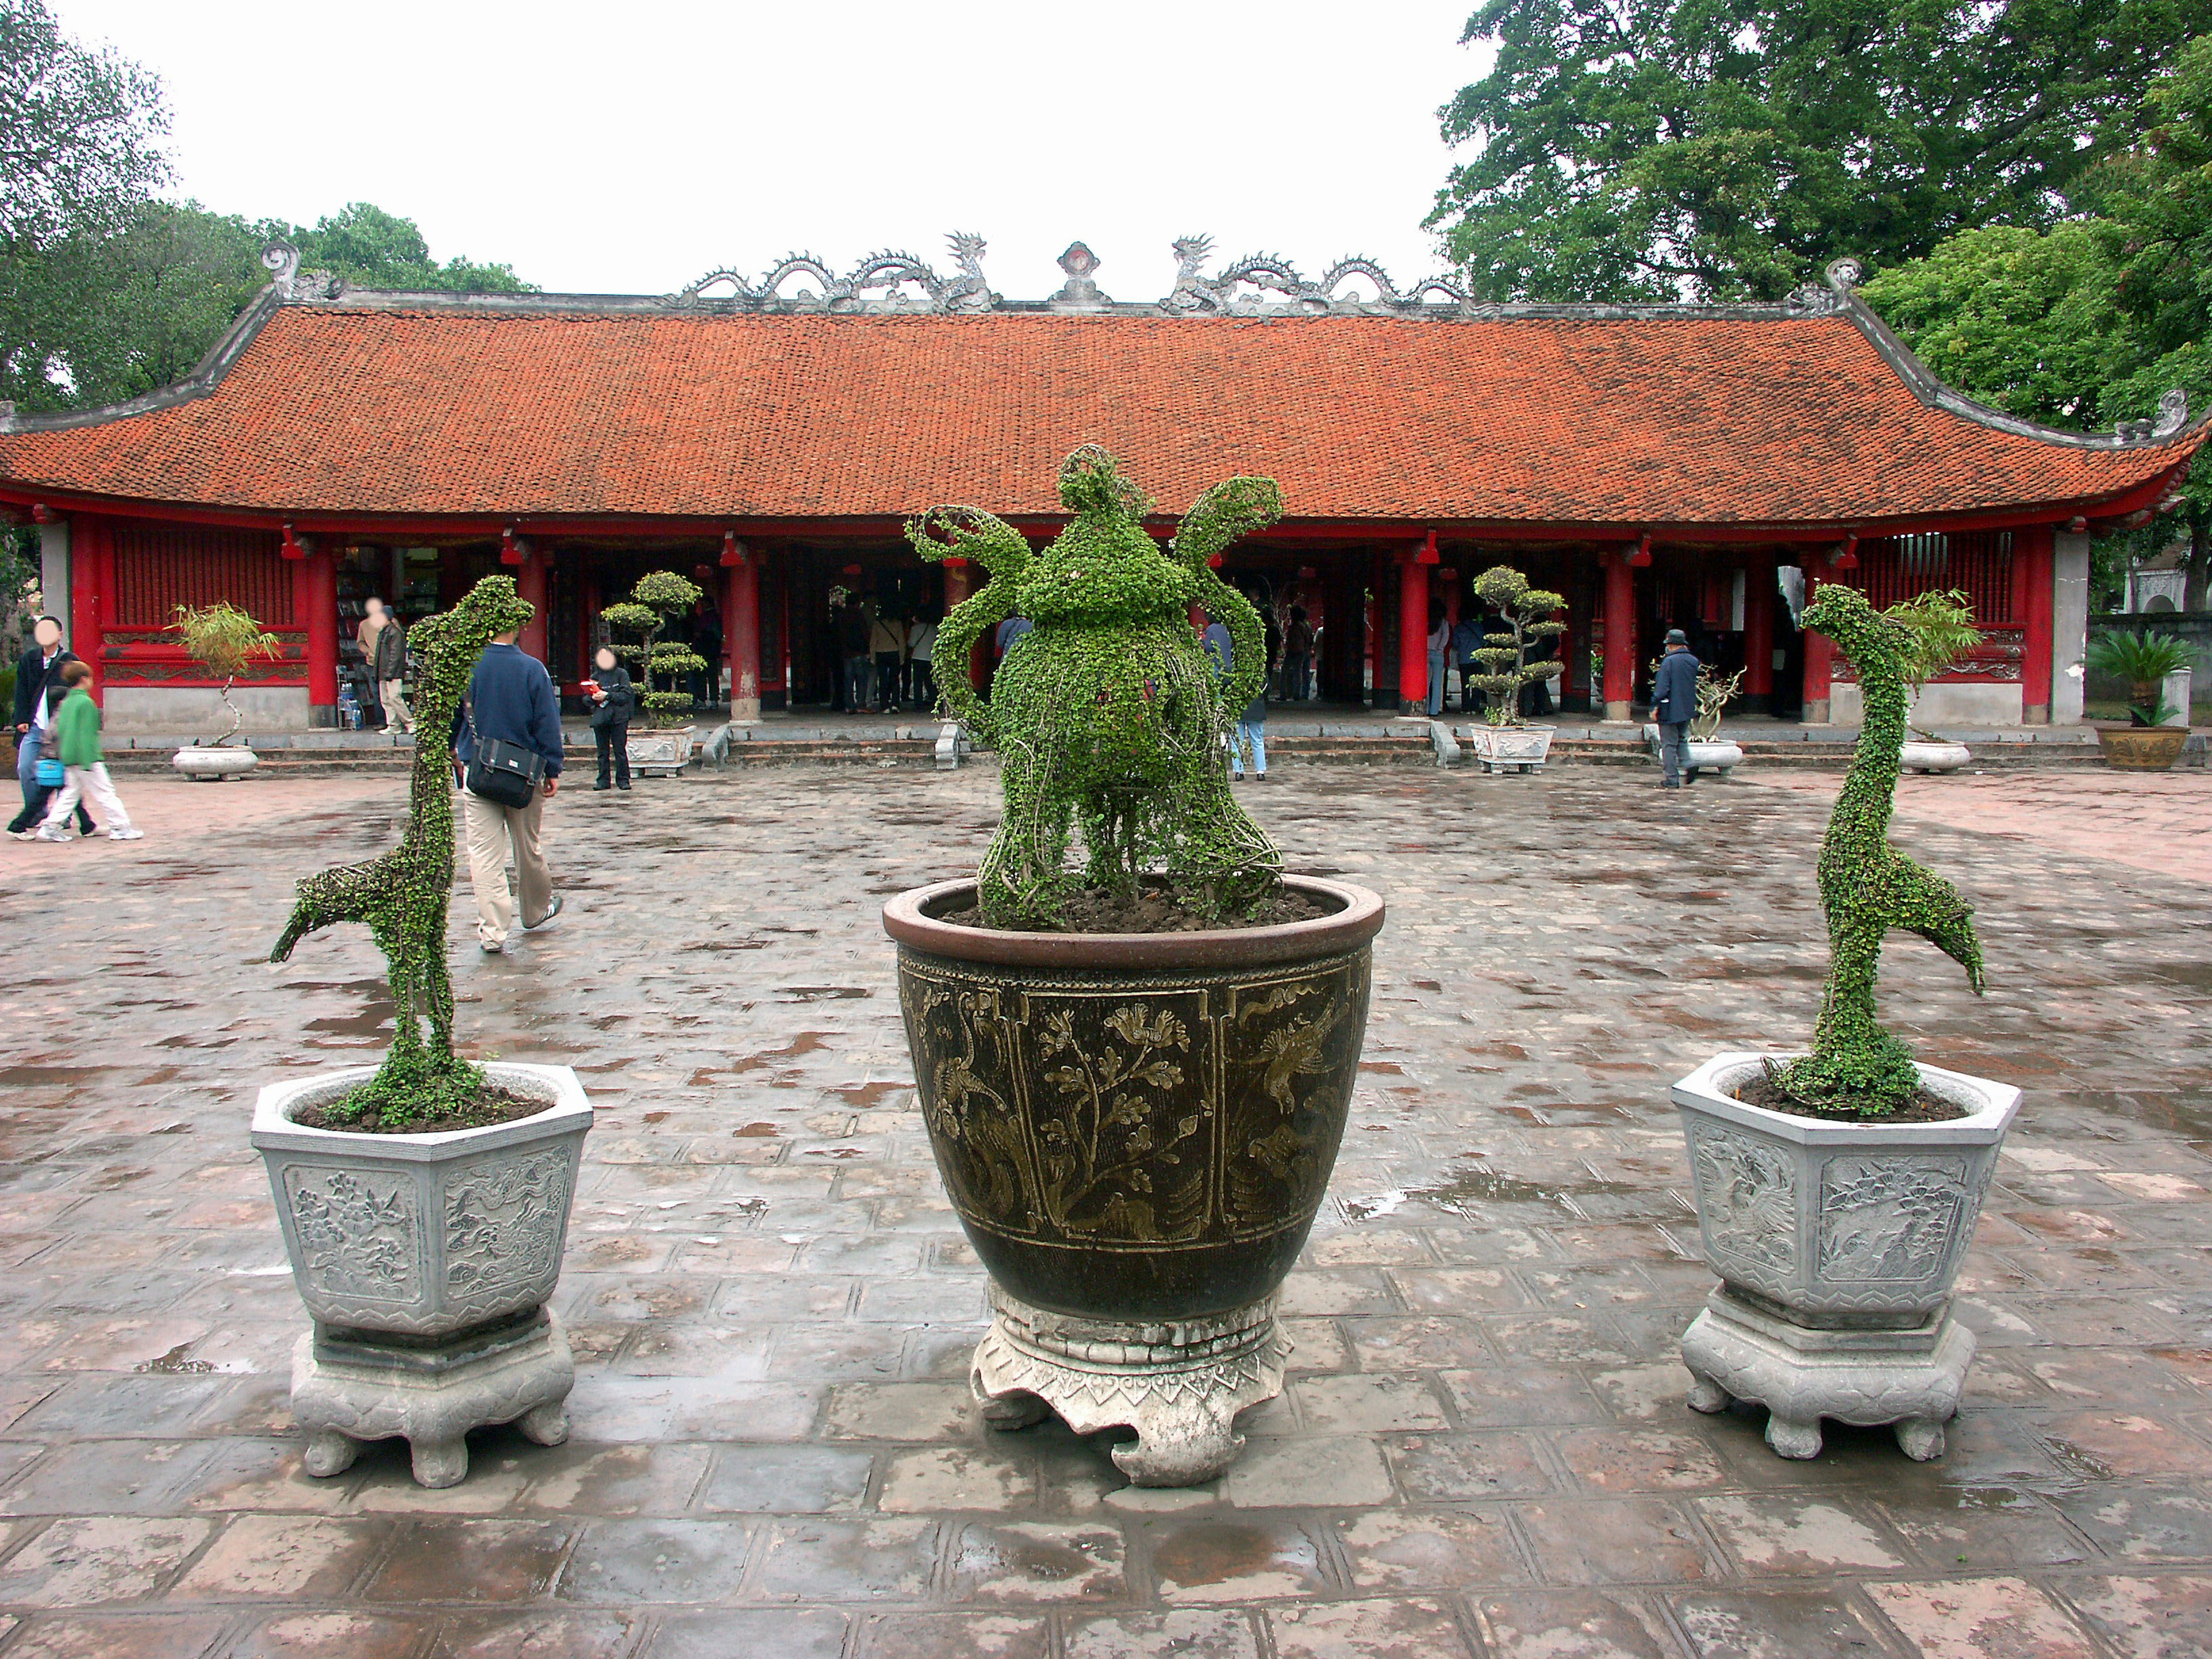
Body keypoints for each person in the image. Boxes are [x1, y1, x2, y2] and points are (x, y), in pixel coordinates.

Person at [453, 616, 564, 952]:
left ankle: (493, 932)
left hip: (479, 772)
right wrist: (553, 768)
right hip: (524, 777)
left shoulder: (467, 668)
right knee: (527, 849)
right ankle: (533, 912)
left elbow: (454, 718)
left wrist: (456, 752)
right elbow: (547, 721)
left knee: (484, 855)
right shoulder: (533, 669)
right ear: (516, 629)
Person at [31, 662, 139, 841]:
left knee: (70, 793)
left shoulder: (66, 703)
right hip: (86, 757)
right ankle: (120, 827)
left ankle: (50, 827)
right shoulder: (85, 702)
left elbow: (62, 732)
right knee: (105, 792)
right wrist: (90, 759)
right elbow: (87, 734)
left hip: (69, 756)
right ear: (83, 679)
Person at [10, 617, 93, 837]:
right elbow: (21, 692)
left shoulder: (69, 662)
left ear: (59, 634)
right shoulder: (29, 660)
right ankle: (38, 814)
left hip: (59, 729)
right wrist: (20, 719)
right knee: (25, 768)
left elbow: (76, 693)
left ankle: (60, 818)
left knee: (62, 777)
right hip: (35, 727)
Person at [1652, 627, 1700, 789]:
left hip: (1669, 708)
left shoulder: (1669, 662)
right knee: (1681, 739)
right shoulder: (1693, 661)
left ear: (1671, 645)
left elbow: (1662, 688)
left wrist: (1655, 705)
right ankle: (1689, 763)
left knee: (1669, 744)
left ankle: (1672, 778)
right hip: (1687, 708)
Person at [360, 599, 412, 734]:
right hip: (383, 671)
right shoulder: (383, 632)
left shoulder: (395, 633)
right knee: (386, 700)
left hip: (391, 672)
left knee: (395, 698)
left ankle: (410, 723)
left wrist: (389, 672)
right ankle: (393, 725)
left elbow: (395, 656)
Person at [586, 645, 634, 791]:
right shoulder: (595, 677)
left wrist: (608, 695)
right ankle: (603, 780)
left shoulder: (621, 674)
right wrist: (594, 697)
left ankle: (623, 779)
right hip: (601, 717)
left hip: (619, 717)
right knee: (602, 751)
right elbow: (586, 700)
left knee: (620, 750)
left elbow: (626, 695)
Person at [837, 600, 872, 714]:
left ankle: (849, 706)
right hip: (859, 652)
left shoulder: (842, 616)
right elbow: (865, 633)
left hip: (847, 653)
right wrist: (868, 648)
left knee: (848, 681)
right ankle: (861, 704)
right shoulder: (859, 615)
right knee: (862, 680)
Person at [870, 607, 906, 713]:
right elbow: (901, 641)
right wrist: (902, 657)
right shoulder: (898, 624)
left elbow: (873, 641)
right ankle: (895, 704)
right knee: (895, 679)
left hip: (881, 653)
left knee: (883, 680)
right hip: (894, 653)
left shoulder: (877, 624)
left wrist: (873, 657)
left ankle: (884, 705)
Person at [1452, 612, 1485, 714]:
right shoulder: (1479, 627)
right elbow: (1484, 641)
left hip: (1464, 659)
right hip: (1477, 659)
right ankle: (1475, 707)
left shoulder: (1459, 628)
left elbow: (1455, 644)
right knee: (1477, 685)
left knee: (1465, 684)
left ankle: (1465, 707)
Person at [1282, 606, 1314, 702]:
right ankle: (1302, 694)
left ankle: (1285, 694)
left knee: (1286, 672)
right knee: (1302, 673)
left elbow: (1291, 640)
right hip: (1304, 651)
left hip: (1294, 651)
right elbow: (1310, 640)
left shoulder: (1295, 626)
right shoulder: (1307, 626)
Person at [908, 612, 938, 713]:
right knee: (930, 681)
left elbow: (911, 643)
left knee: (918, 681)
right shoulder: (934, 629)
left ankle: (918, 704)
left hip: (918, 657)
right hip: (930, 657)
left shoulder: (915, 628)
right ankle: (935, 700)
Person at [1425, 604, 1449, 717]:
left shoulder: (1425, 619)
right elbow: (1446, 637)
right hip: (1438, 654)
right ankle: (1434, 710)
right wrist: (1440, 648)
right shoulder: (1443, 622)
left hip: (1425, 653)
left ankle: (1425, 708)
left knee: (1426, 682)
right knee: (1437, 683)